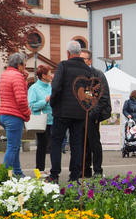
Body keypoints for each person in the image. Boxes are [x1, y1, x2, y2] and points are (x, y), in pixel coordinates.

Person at [49, 41, 94, 181]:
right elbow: (90, 92)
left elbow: (56, 87)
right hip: (80, 112)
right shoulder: (88, 70)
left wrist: (53, 103)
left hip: (62, 111)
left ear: (68, 53)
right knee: (76, 143)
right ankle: (74, 176)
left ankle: (54, 174)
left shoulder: (63, 65)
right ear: (79, 53)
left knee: (56, 142)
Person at [0, 52, 30, 176]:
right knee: (13, 147)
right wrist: (27, 113)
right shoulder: (17, 76)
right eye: (24, 65)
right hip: (14, 115)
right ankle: (3, 175)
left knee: (14, 146)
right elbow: (21, 99)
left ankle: (18, 172)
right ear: (19, 65)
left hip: (4, 114)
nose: (25, 67)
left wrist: (24, 79)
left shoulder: (5, 74)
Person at [80, 48, 111, 177]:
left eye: (83, 59)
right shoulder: (78, 75)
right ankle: (85, 169)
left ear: (89, 60)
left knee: (94, 143)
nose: (80, 62)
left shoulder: (98, 75)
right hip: (80, 115)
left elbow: (103, 97)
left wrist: (93, 114)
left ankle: (97, 170)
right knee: (82, 143)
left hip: (92, 115)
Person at [28, 65, 54, 173]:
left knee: (53, 146)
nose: (52, 75)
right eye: (49, 73)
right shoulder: (34, 88)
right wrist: (45, 100)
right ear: (43, 76)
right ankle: (39, 170)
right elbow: (31, 106)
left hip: (54, 120)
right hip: (42, 122)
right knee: (42, 146)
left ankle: (54, 169)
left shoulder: (51, 87)